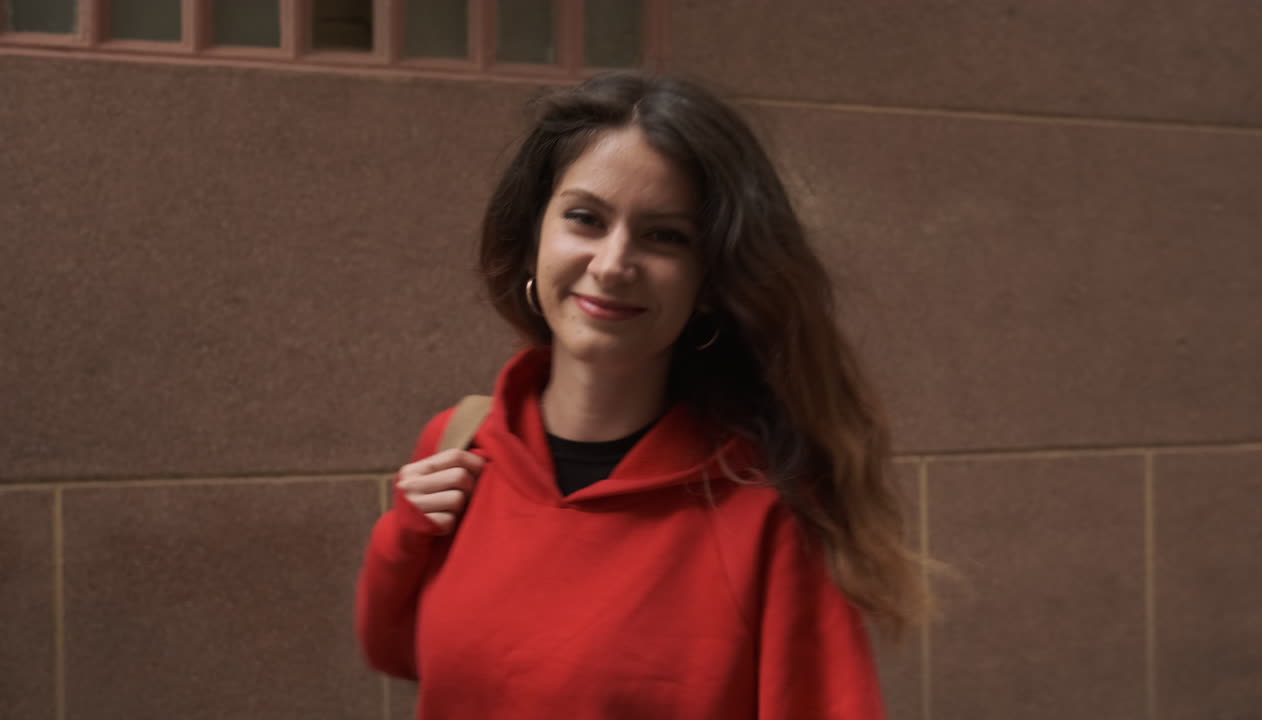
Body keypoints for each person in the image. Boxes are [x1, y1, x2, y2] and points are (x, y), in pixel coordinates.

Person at [355, 70, 925, 719]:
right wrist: (402, 535)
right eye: (585, 219)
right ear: (533, 237)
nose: (612, 263)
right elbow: (399, 651)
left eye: (664, 236)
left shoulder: (767, 510)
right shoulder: (460, 445)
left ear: (709, 281)